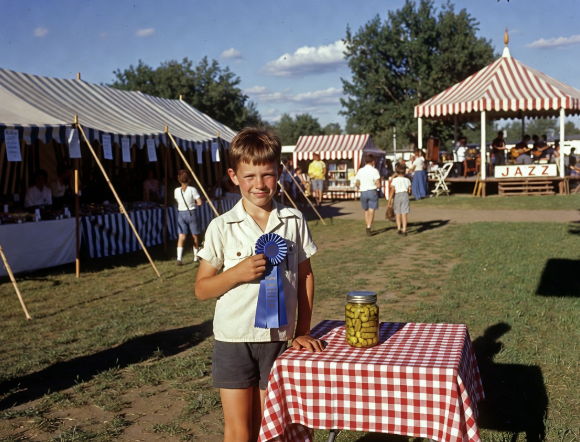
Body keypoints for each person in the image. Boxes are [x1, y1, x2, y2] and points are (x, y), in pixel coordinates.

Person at [195, 126, 323, 442]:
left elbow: (305, 275)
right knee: (239, 430)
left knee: (274, 427)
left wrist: (302, 331)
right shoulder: (221, 227)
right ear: (233, 176)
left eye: (266, 174)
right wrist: (235, 274)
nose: (259, 184)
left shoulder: (293, 221)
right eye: (249, 176)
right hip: (233, 338)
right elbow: (201, 289)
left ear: (278, 171)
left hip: (279, 339)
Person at [174, 169, 202, 266]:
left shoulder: (176, 191)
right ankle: (196, 256)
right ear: (189, 179)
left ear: (179, 180)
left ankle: (179, 258)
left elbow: (178, 201)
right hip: (191, 212)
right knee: (194, 235)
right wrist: (193, 203)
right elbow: (200, 202)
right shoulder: (192, 190)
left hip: (181, 213)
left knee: (181, 236)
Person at [354, 153, 381, 236]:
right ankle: (369, 226)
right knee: (372, 209)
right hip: (372, 190)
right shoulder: (374, 171)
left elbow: (357, 182)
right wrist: (378, 187)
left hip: (363, 191)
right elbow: (378, 184)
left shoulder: (360, 170)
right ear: (372, 161)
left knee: (366, 210)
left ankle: (367, 225)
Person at [388, 162, 412, 236]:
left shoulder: (395, 180)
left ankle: (399, 228)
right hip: (405, 195)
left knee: (397, 213)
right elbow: (409, 190)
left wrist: (390, 199)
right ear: (405, 172)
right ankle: (404, 229)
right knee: (404, 214)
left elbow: (392, 190)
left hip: (397, 195)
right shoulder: (407, 180)